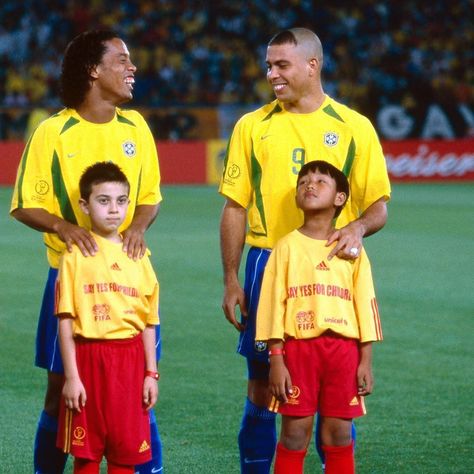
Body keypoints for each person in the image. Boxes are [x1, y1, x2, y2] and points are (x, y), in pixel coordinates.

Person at [219, 27, 390, 473]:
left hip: (332, 264)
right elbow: (235, 206)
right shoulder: (252, 126)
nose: (271, 74)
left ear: (312, 66)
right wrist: (232, 277)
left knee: (334, 396)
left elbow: (378, 207)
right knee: (262, 386)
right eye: (269, 66)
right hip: (265, 262)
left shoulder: (354, 127)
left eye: (282, 65)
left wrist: (356, 227)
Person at [10, 30, 163, 474]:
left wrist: (138, 225)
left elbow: (151, 196)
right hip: (71, 279)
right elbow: (24, 204)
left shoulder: (137, 128)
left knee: (138, 384)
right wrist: (63, 227)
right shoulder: (54, 131)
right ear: (94, 70)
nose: (132, 67)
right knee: (60, 389)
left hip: (130, 280)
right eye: (122, 59)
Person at [256, 160, 382, 474]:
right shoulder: (285, 247)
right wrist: (276, 359)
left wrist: (365, 359)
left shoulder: (351, 248)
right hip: (298, 351)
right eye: (303, 182)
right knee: (295, 433)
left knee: (338, 433)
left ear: (340, 198)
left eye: (320, 181)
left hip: (343, 352)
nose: (309, 185)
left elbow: (365, 305)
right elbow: (272, 305)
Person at [56, 162, 160, 473]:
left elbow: (148, 322)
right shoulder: (74, 256)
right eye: (103, 201)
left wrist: (150, 374)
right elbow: (65, 320)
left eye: (121, 201)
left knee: (125, 454)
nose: (113, 209)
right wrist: (72, 377)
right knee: (86, 455)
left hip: (129, 361)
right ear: (84, 206)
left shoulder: (139, 255)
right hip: (88, 358)